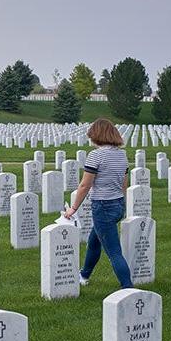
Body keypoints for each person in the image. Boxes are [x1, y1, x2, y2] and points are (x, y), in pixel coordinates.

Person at [65, 118, 133, 289]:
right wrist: (122, 204)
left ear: (96, 136)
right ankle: (84, 275)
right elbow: (124, 183)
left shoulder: (96, 155)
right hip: (117, 203)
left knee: (114, 252)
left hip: (102, 205)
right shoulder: (122, 154)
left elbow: (85, 185)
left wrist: (73, 208)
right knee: (94, 240)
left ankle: (128, 288)